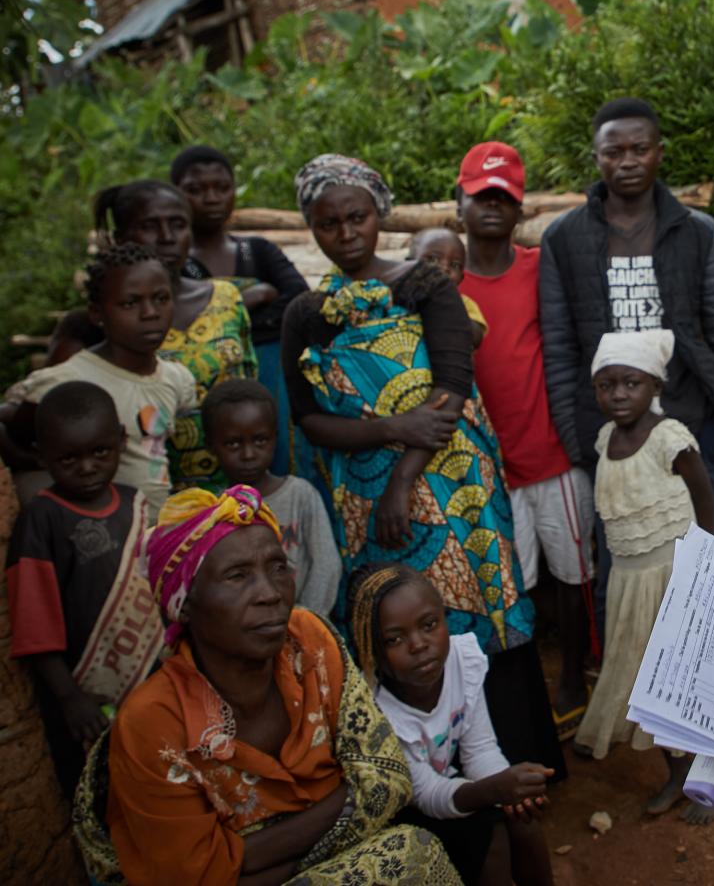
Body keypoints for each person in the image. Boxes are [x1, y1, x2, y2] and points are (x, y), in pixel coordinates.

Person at [281, 154, 565, 781]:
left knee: (483, 614)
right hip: (361, 493)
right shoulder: (306, 314)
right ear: (311, 226)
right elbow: (307, 419)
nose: (347, 232)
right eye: (329, 223)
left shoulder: (425, 285)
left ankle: (515, 768)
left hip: (454, 481)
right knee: (395, 624)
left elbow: (453, 385)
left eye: (357, 216)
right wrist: (388, 430)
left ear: (379, 214)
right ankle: (422, 779)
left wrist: (402, 480)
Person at [71, 485, 462, 885]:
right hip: (349, 851)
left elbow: (387, 781)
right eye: (238, 576)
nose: (270, 593)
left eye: (278, 567)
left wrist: (245, 858)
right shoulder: (152, 723)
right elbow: (192, 877)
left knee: (413, 850)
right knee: (405, 853)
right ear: (184, 604)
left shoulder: (309, 639)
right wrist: (343, 808)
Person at [538, 97, 714, 540]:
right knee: (623, 567)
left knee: (701, 560)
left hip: (689, 422)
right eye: (613, 152)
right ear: (597, 158)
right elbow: (560, 347)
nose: (627, 162)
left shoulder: (696, 232)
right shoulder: (564, 238)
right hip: (610, 436)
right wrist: (574, 435)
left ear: (660, 151)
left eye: (639, 149)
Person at [456, 142, 597, 735]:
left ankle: (573, 672)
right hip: (487, 468)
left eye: (502, 199)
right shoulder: (444, 278)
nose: (491, 207)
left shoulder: (540, 266)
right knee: (518, 581)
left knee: (574, 574)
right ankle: (529, 690)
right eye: (480, 196)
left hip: (551, 457)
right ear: (456, 201)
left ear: (519, 210)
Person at [573, 329, 714, 824]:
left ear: (655, 384)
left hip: (674, 577)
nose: (617, 395)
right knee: (646, 680)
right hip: (630, 583)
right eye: (606, 385)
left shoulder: (669, 439)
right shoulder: (604, 440)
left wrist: (709, 563)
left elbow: (704, 497)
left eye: (630, 383)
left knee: (686, 675)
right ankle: (678, 770)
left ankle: (712, 775)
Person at [350, 563, 555, 886]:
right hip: (406, 815)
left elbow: (479, 749)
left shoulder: (462, 660)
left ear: (446, 618)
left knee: (521, 817)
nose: (418, 644)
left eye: (429, 624)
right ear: (371, 650)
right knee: (489, 835)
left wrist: (509, 791)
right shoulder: (378, 712)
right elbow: (427, 794)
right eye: (394, 639)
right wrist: (493, 790)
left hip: (453, 789)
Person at [4, 381, 163, 794]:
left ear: (120, 442)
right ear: (42, 456)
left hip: (152, 675)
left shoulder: (135, 504)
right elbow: (34, 617)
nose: (88, 467)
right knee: (103, 784)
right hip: (86, 692)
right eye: (69, 458)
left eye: (100, 452)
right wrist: (69, 696)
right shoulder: (42, 519)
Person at [1, 244, 197, 517]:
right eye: (130, 303)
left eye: (161, 298)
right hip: (95, 537)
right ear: (97, 313)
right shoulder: (68, 382)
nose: (150, 313)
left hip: (155, 531)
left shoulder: (177, 379)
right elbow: (16, 431)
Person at [95, 179, 258, 489]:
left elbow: (251, 391)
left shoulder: (225, 299)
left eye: (178, 224)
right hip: (148, 489)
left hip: (232, 486)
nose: (167, 238)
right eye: (150, 226)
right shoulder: (114, 316)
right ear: (121, 239)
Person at [172, 145, 310, 476]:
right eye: (196, 189)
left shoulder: (257, 250)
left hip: (272, 377)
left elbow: (297, 299)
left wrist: (222, 316)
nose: (211, 198)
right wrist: (250, 296)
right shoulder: (174, 263)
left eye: (222, 187)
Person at [204, 378, 340, 618]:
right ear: (211, 446)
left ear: (275, 438)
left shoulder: (301, 495)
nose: (248, 454)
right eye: (233, 444)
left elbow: (326, 566)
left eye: (259, 440)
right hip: (244, 630)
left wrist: (305, 621)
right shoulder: (211, 509)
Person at [410, 227, 487, 348]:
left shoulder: (464, 304)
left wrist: (447, 307)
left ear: (461, 278)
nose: (445, 268)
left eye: (455, 265)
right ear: (407, 265)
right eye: (433, 259)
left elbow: (476, 337)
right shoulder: (396, 296)